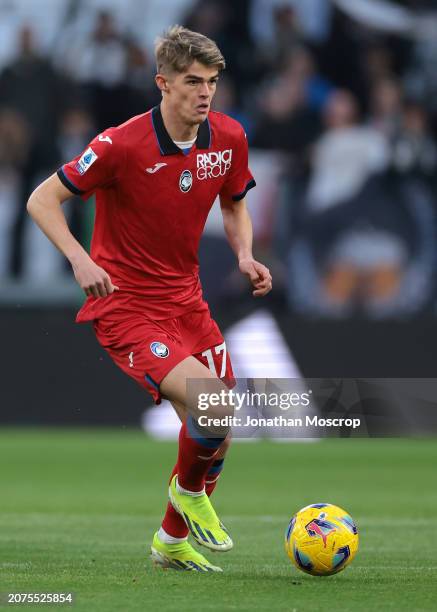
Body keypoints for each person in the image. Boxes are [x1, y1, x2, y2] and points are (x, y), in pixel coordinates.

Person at [27, 26, 272, 573]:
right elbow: (42, 199)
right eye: (192, 81)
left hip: (188, 303)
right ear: (163, 83)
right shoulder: (121, 144)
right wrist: (79, 258)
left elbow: (234, 204)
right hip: (126, 306)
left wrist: (244, 256)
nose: (205, 93)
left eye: (211, 82)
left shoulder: (229, 137)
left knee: (219, 430)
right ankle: (187, 494)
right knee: (213, 404)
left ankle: (169, 540)